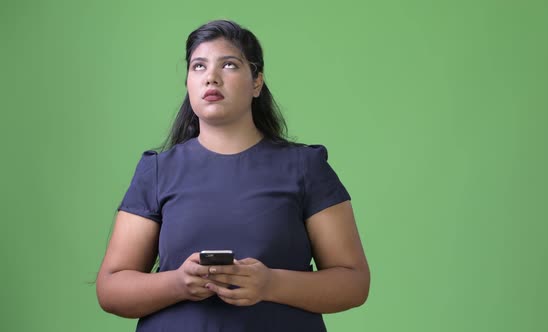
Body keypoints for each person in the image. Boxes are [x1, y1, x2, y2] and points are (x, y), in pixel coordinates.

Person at [96, 19, 370, 332]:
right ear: (187, 82)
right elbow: (111, 288)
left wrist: (270, 284)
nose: (211, 77)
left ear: (257, 82)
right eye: (198, 66)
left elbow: (354, 281)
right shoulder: (157, 171)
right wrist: (178, 283)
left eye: (229, 65)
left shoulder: (306, 167)